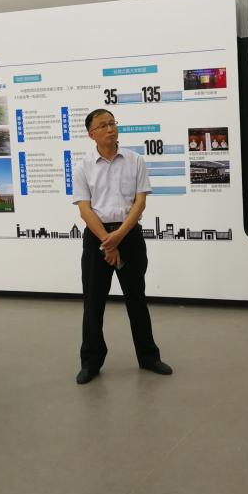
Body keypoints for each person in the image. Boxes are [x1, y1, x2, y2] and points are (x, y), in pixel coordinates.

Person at [71, 109, 172, 384]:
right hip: (97, 237)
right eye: (103, 125)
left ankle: (149, 357)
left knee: (136, 298)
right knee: (93, 302)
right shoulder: (82, 167)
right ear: (91, 134)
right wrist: (108, 241)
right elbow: (84, 209)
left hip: (129, 235)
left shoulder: (135, 160)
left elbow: (140, 203)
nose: (110, 129)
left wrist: (118, 237)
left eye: (112, 123)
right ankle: (91, 362)